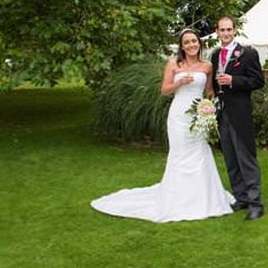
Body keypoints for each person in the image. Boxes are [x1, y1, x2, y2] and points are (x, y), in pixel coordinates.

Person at [91, 29, 234, 222]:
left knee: (200, 151)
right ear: (182, 46)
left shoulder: (207, 65)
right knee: (180, 154)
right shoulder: (174, 64)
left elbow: (209, 90)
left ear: (199, 43)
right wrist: (180, 83)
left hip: (199, 115)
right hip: (179, 116)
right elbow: (165, 90)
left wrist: (210, 106)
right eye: (187, 42)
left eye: (194, 41)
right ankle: (177, 198)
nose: (191, 45)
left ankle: (203, 197)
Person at [211, 16, 266, 221]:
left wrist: (233, 80)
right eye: (222, 30)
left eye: (229, 29)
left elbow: (258, 81)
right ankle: (241, 198)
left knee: (246, 158)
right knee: (231, 158)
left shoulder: (248, 54)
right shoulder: (215, 55)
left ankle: (256, 203)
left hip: (240, 114)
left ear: (234, 30)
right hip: (222, 113)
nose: (226, 33)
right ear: (217, 32)